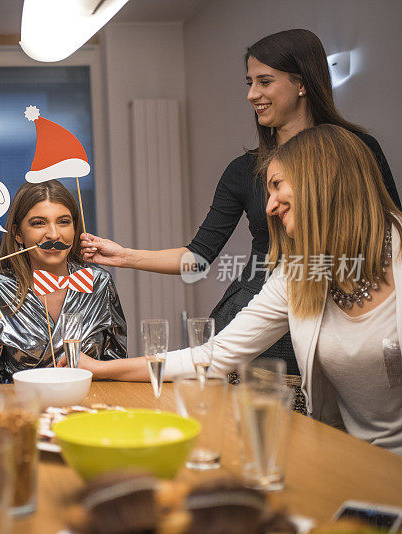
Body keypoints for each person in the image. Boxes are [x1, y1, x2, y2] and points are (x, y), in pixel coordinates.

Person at [80, 29, 400, 382]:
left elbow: (386, 233)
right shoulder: (243, 171)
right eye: (249, 82)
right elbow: (199, 258)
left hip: (349, 302)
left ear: (302, 83)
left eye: (264, 81)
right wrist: (124, 256)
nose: (252, 94)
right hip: (264, 307)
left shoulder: (357, 151)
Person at [66, 125, 402, 455]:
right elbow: (211, 356)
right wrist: (100, 369)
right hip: (354, 461)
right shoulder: (297, 274)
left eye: (276, 186)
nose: (269, 207)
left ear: (321, 179)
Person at [0, 180, 127, 384]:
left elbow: (119, 364)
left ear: (75, 228)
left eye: (64, 221)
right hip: (26, 411)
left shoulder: (99, 282)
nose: (54, 234)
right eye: (39, 223)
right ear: (17, 233)